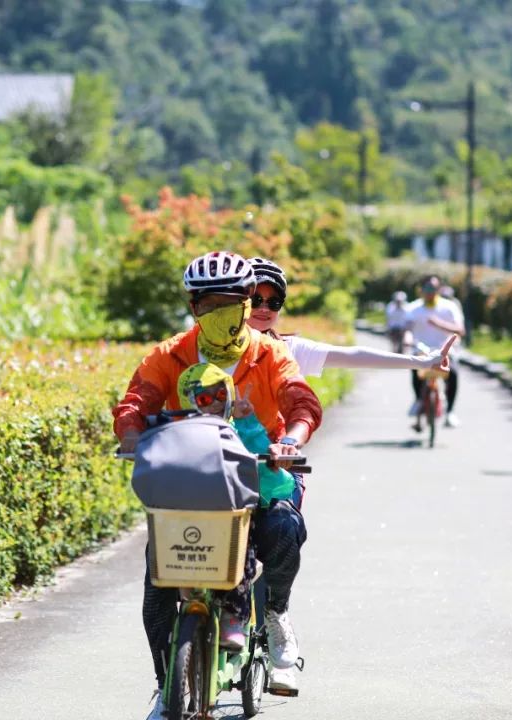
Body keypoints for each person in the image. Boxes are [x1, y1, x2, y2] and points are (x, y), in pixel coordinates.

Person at [113, 251, 322, 719]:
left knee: (284, 527)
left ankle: (276, 615)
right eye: (209, 305)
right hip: (190, 480)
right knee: (158, 587)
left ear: (249, 304)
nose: (219, 313)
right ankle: (167, 687)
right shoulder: (169, 356)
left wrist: (289, 440)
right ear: (193, 307)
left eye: (231, 302)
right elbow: (135, 403)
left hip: (258, 473)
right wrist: (130, 437)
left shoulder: (271, 354)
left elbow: (301, 402)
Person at [175, 364, 303, 655]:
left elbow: (277, 484)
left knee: (242, 544)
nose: (215, 404)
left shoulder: (239, 430)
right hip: (189, 519)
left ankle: (238, 615)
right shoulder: (178, 434)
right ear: (188, 401)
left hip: (236, 517)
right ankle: (166, 677)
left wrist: (250, 427)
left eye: (221, 394)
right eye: (204, 399)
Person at [246, 258, 456, 379]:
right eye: (256, 300)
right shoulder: (215, 347)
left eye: (273, 303)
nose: (264, 308)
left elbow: (355, 356)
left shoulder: (288, 349)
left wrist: (423, 362)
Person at [404, 275, 466, 428]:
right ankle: (419, 400)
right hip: (421, 350)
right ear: (421, 290)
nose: (430, 292)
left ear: (439, 290)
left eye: (433, 288)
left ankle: (450, 412)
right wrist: (407, 339)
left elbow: (460, 330)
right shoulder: (413, 308)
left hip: (445, 350)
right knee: (415, 370)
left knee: (453, 374)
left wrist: (439, 324)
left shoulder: (449, 307)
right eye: (427, 288)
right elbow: (408, 329)